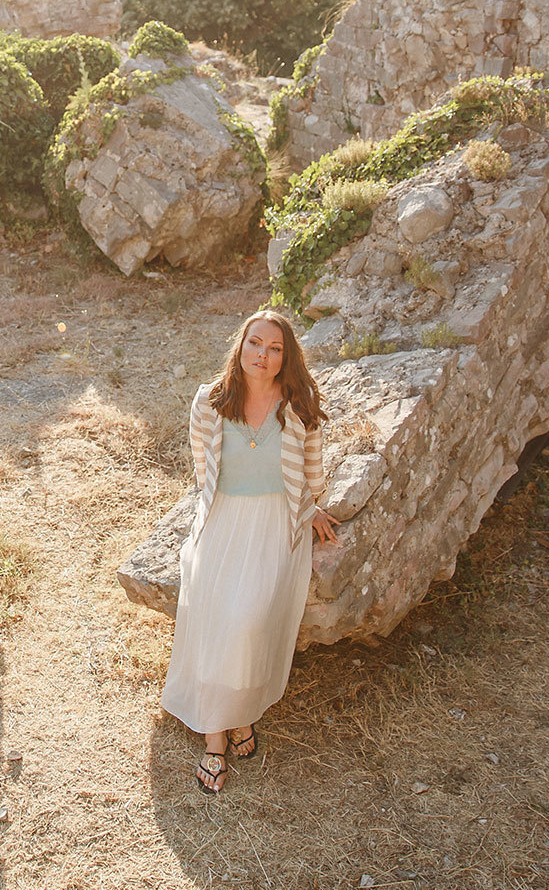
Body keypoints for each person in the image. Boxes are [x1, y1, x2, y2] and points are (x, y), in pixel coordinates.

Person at [160, 309, 336, 794]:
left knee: (250, 622)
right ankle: (216, 737)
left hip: (274, 525)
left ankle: (240, 714)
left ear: (286, 357)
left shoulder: (299, 404)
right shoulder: (210, 401)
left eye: (275, 348)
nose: (263, 355)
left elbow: (311, 466)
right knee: (218, 623)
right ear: (240, 346)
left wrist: (311, 509)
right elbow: (203, 466)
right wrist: (211, 512)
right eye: (255, 343)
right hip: (222, 521)